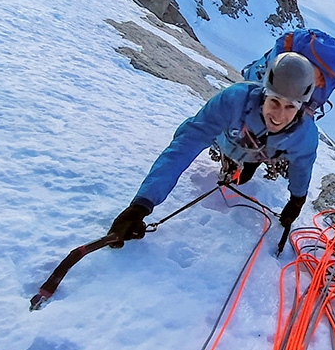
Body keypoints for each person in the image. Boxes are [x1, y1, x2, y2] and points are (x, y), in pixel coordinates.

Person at [106, 52, 320, 248]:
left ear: (301, 106)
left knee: (252, 167)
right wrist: (143, 203)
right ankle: (238, 159)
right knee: (214, 144)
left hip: (263, 149)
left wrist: (297, 199)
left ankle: (251, 161)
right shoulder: (234, 100)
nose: (279, 116)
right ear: (264, 94)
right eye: (274, 102)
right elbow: (186, 144)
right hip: (229, 142)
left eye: (290, 106)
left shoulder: (305, 136)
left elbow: (302, 168)